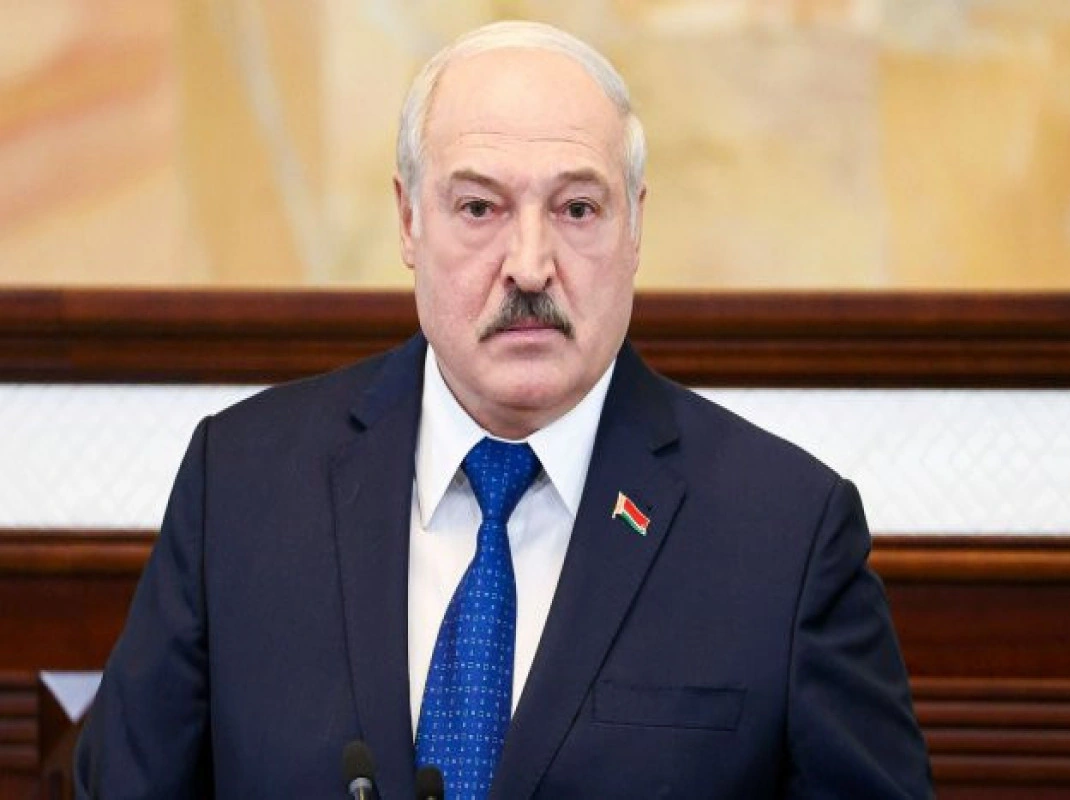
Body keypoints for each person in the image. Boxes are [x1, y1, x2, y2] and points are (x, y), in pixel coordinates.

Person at [75, 20, 931, 799]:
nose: (529, 264)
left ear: (635, 227)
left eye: (577, 209)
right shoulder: (241, 485)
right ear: (409, 221)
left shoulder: (786, 533)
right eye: (479, 207)